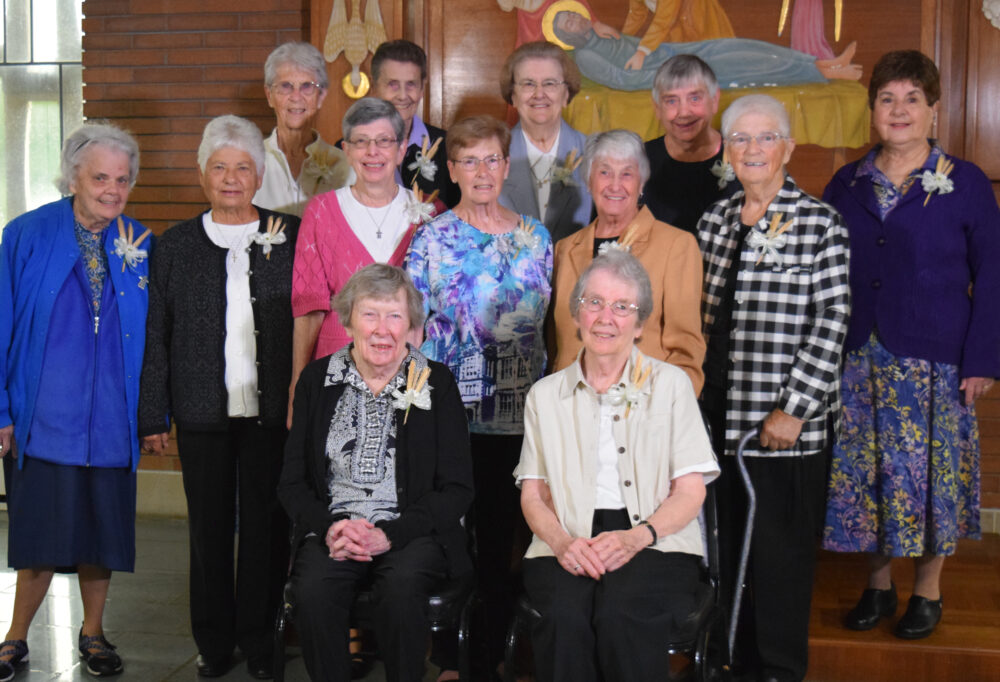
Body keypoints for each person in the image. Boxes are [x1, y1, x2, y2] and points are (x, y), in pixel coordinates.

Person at [821, 50, 1000, 640]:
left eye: (912, 99)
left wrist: (983, 360)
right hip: (856, 356)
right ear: (872, 109)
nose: (899, 110)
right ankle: (878, 586)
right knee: (869, 475)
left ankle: (928, 591)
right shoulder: (846, 183)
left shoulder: (965, 181)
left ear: (933, 108)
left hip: (934, 359)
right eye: (887, 99)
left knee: (928, 479)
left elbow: (995, 273)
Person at [139, 115, 298, 679]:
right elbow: (156, 334)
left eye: (243, 168)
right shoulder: (176, 245)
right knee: (207, 530)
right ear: (202, 175)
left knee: (266, 527)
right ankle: (212, 640)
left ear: (259, 176)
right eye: (219, 167)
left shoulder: (293, 234)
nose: (231, 178)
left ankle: (260, 641)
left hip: (272, 414)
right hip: (202, 410)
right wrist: (151, 414)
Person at [698, 94, 850, 682]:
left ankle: (780, 671)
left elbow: (832, 320)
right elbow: (698, 317)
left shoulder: (819, 223)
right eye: (740, 139)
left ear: (787, 147)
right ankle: (728, 662)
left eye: (765, 138)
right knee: (724, 550)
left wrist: (794, 409)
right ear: (727, 151)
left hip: (782, 430)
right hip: (717, 420)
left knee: (780, 561)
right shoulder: (714, 220)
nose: (752, 149)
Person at [515, 249, 719, 681]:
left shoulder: (671, 385)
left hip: (654, 536)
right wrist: (561, 542)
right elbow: (534, 494)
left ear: (641, 323)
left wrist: (637, 537)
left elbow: (690, 490)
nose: (606, 317)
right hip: (566, 536)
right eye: (594, 302)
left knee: (622, 615)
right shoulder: (544, 396)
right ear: (576, 314)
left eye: (622, 307)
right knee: (564, 619)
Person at [0, 122, 150, 679]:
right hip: (45, 416)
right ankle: (15, 636)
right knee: (38, 534)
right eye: (100, 178)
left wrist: (148, 415)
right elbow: (0, 326)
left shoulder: (139, 243)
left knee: (101, 532)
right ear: (73, 177)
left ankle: (93, 633)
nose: (113, 190)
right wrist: (1, 412)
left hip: (111, 419)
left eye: (123, 179)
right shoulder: (26, 235)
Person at [405, 115, 553, 675]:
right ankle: (447, 659)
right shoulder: (432, 239)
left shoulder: (536, 237)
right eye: (469, 160)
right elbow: (412, 331)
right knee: (448, 540)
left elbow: (552, 329)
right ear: (452, 170)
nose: (482, 171)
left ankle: (490, 657)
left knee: (501, 540)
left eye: (492, 159)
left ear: (506, 166)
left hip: (518, 419)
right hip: (448, 419)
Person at [278, 264, 474, 682]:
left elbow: (458, 489)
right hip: (335, 529)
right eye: (370, 314)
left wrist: (391, 533)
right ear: (348, 320)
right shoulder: (317, 380)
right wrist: (331, 527)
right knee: (313, 590)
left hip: (413, 531)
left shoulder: (436, 382)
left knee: (402, 588)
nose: (382, 329)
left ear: (411, 325)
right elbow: (291, 483)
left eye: (394, 316)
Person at [291, 97, 442, 425]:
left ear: (402, 149)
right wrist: (297, 385)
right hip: (334, 370)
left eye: (384, 141)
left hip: (407, 375)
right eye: (361, 142)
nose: (372, 152)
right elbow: (308, 309)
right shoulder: (320, 212)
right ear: (346, 149)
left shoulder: (432, 213)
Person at [548, 129, 704, 395]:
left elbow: (686, 352)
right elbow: (555, 345)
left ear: (642, 183)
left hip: (642, 413)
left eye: (627, 174)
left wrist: (662, 411)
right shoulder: (564, 249)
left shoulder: (676, 246)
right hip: (570, 411)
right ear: (588, 180)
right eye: (605, 172)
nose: (615, 185)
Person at [553, 10, 862, 95]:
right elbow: (625, 80)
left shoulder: (599, 31)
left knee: (743, 45)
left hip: (676, 51)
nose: (576, 18)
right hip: (678, 68)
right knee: (745, 64)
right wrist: (675, 76)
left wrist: (605, 28)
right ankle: (822, 73)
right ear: (569, 35)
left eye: (574, 13)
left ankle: (824, 63)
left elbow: (639, 43)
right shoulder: (585, 58)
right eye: (570, 21)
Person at [498, 40, 593, 243]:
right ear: (513, 96)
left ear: (566, 94)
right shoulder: (492, 158)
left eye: (550, 83)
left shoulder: (595, 155)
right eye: (528, 84)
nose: (539, 94)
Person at [255, 41, 350, 217]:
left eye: (307, 86)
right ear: (269, 96)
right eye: (285, 86)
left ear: (321, 97)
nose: (296, 97)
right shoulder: (249, 163)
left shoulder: (346, 166)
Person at [370, 39, 458, 206]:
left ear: (422, 88)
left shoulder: (448, 148)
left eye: (411, 84)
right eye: (393, 85)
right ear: (374, 87)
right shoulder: (350, 149)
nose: (403, 95)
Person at [620, 0, 734, 71]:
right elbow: (636, 15)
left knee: (715, 60)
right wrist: (622, 37)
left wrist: (641, 52)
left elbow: (664, 19)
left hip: (701, 20)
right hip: (675, 27)